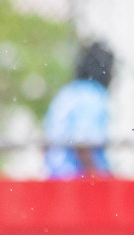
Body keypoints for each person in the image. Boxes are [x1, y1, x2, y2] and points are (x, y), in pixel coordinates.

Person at [45, 40, 115, 179]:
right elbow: (82, 143)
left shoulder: (67, 93)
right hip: (77, 180)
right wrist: (99, 178)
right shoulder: (92, 95)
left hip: (54, 178)